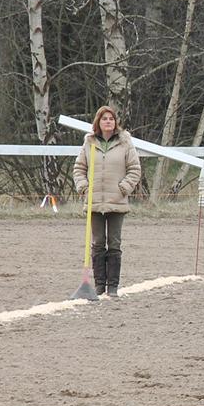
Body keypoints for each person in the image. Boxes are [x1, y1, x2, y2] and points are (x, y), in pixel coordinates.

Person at [72, 105, 142, 298]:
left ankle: (112, 286)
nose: (108, 121)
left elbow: (135, 169)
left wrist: (123, 188)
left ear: (115, 122)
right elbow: (79, 168)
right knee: (98, 243)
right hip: (94, 202)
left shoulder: (125, 142)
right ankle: (99, 286)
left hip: (116, 202)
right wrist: (84, 187)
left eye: (111, 118)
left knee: (114, 243)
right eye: (104, 118)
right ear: (98, 122)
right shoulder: (89, 142)